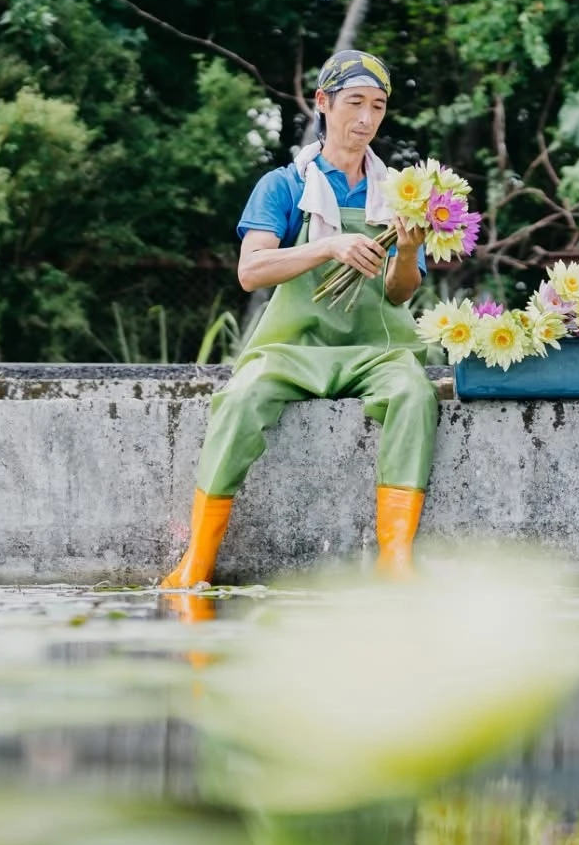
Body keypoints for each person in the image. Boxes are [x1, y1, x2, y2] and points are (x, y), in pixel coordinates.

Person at [162, 49, 436, 590]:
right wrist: (327, 247)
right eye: (354, 103)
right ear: (323, 103)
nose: (366, 119)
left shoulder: (399, 195)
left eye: (378, 106)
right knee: (240, 399)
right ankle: (198, 557)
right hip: (292, 349)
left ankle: (396, 559)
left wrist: (405, 252)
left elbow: (403, 295)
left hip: (376, 351)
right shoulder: (285, 185)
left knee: (414, 393)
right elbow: (252, 270)